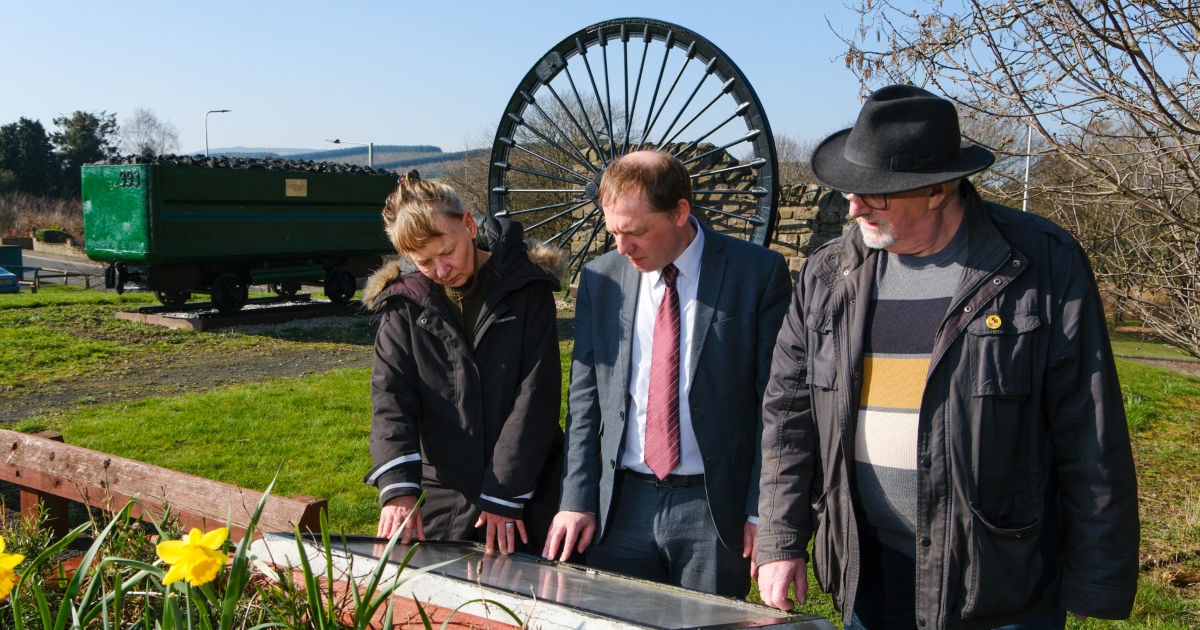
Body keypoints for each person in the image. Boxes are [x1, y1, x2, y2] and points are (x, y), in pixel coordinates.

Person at [755, 85, 1139, 629]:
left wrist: (1098, 578)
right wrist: (781, 538)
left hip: (997, 583)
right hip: (869, 572)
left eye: (875, 192)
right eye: (850, 188)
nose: (854, 205)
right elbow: (787, 419)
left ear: (938, 190)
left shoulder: (1041, 266)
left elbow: (1090, 431)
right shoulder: (826, 274)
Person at [542, 151, 792, 597]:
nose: (622, 247)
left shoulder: (756, 273)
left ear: (680, 212)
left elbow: (775, 408)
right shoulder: (602, 279)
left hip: (713, 509)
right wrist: (577, 498)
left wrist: (761, 511)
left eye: (635, 232)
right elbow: (586, 401)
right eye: (613, 231)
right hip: (620, 505)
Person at [363, 170, 565, 555]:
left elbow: (535, 397)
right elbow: (391, 399)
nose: (441, 271)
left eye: (447, 253)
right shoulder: (403, 305)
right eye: (423, 262)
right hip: (445, 493)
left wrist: (505, 495)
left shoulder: (527, 288)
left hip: (529, 488)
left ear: (469, 225)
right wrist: (398, 487)